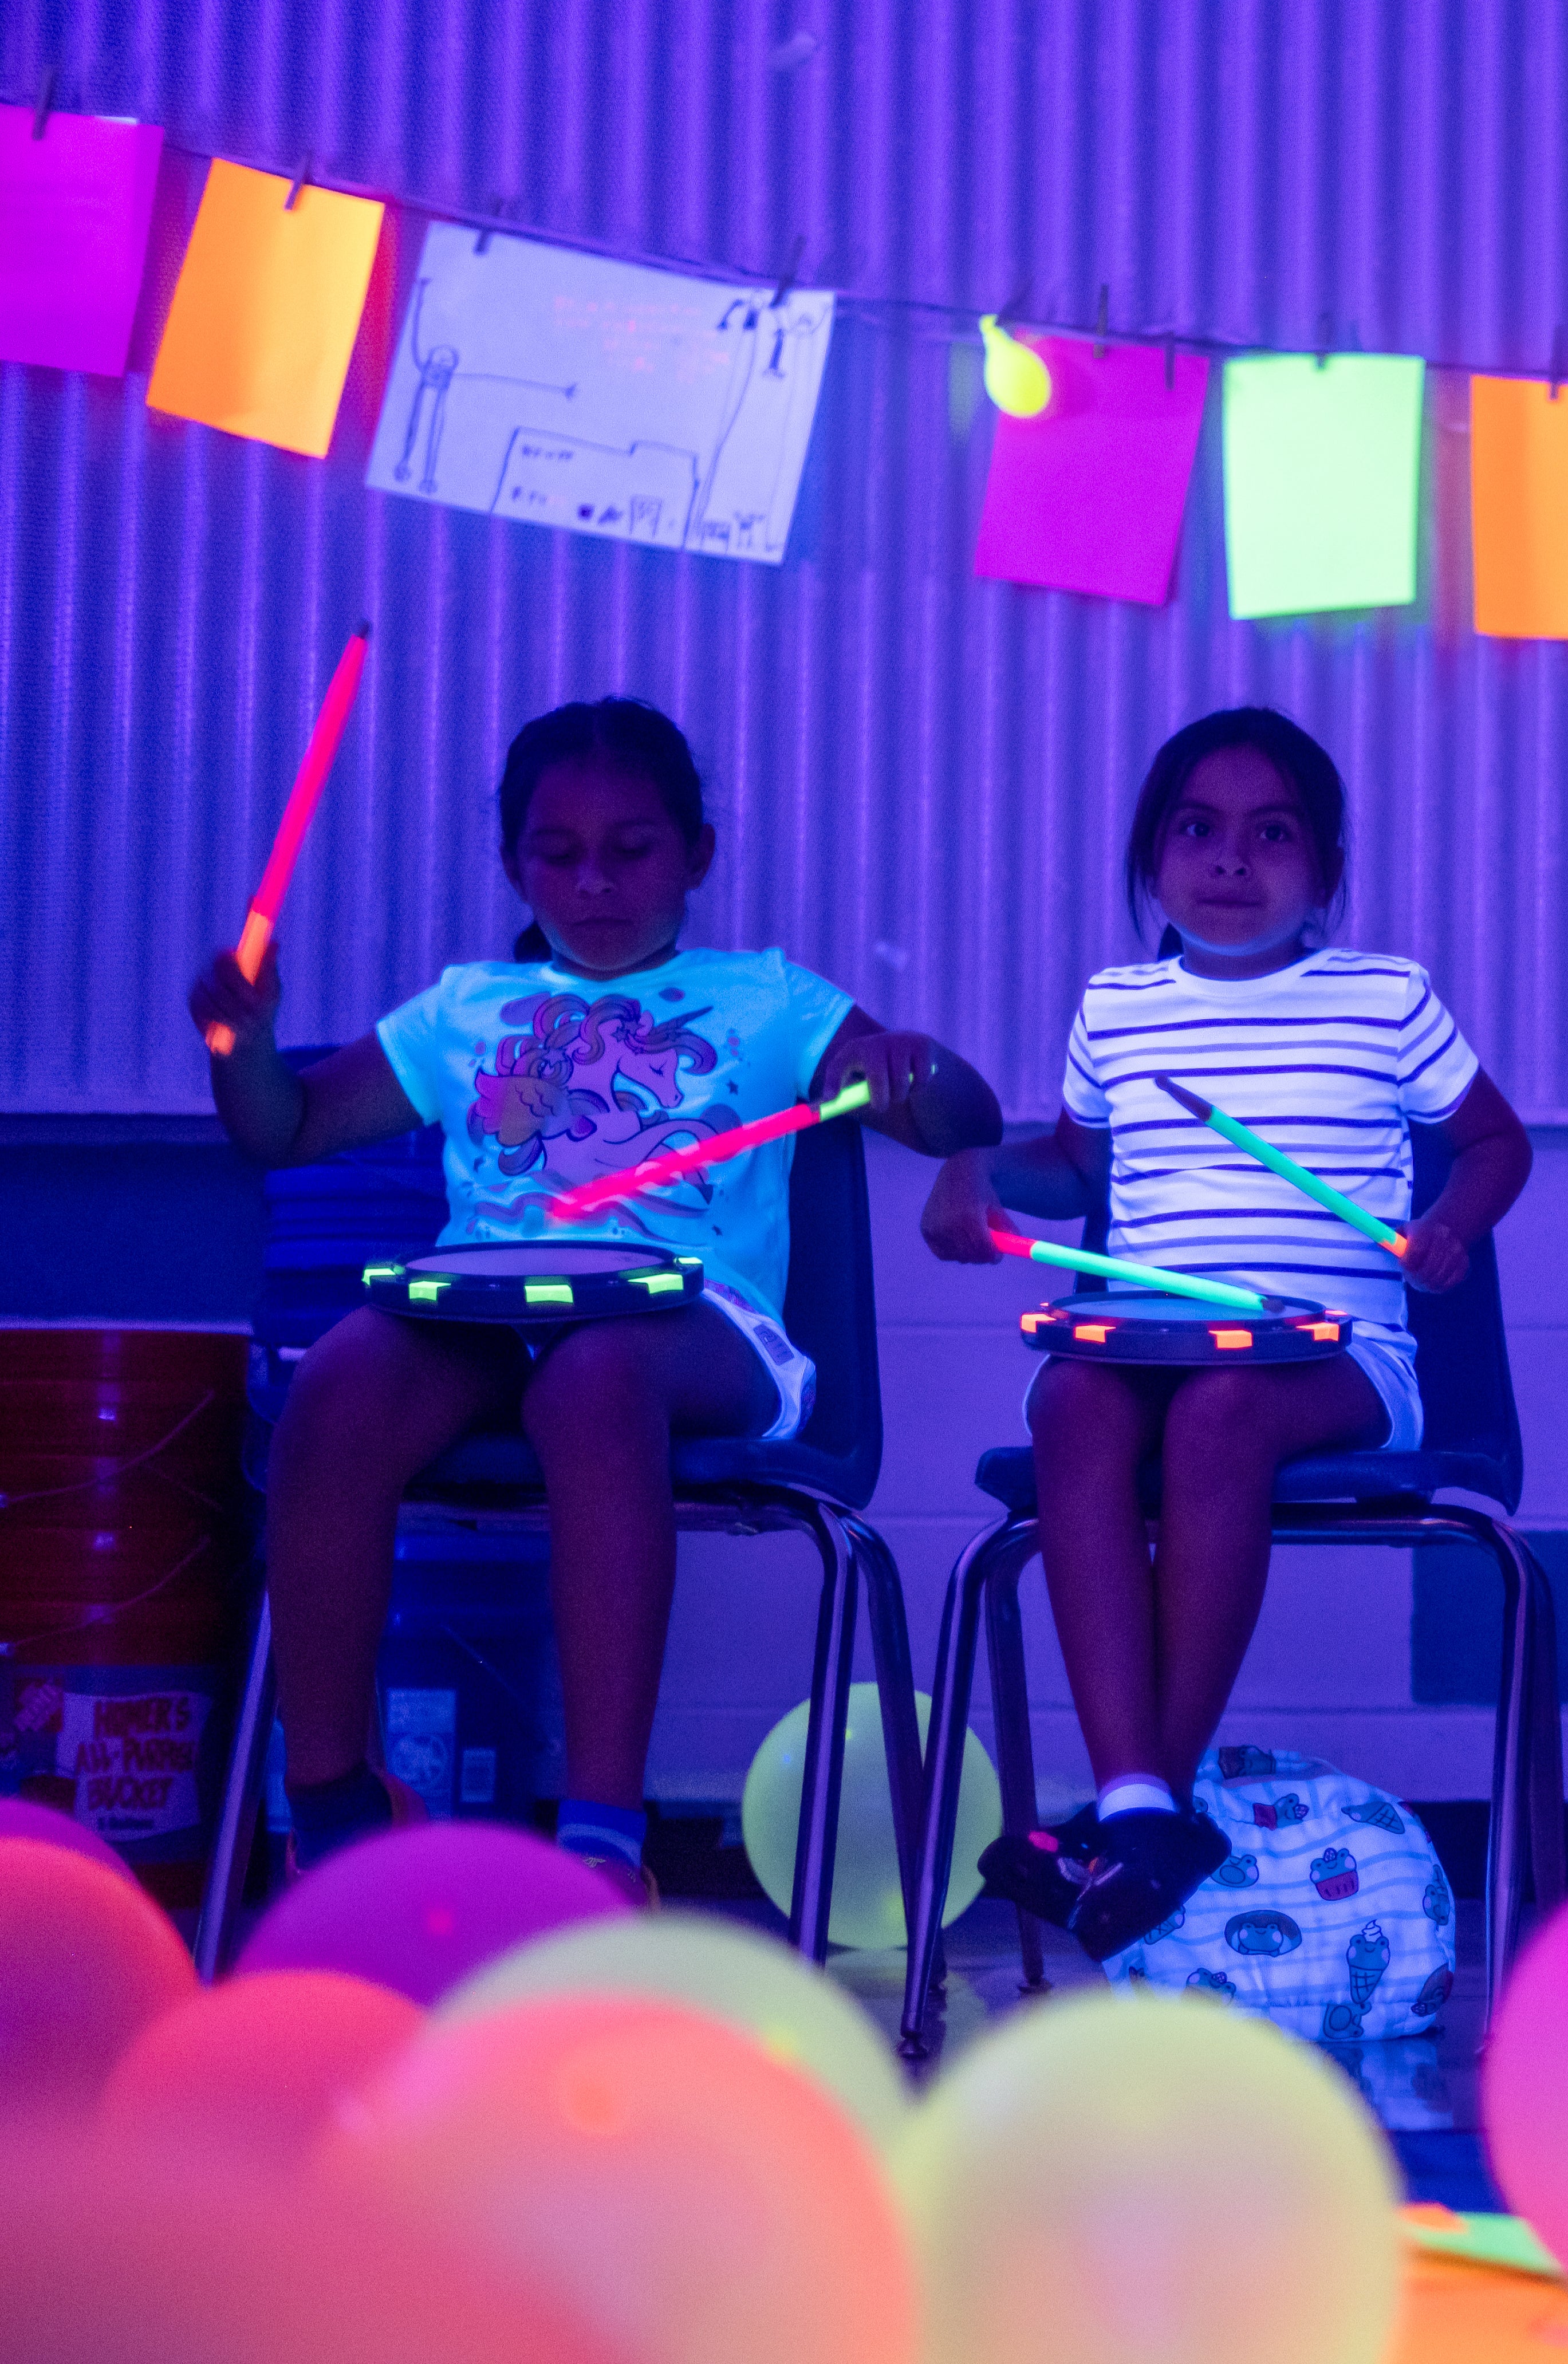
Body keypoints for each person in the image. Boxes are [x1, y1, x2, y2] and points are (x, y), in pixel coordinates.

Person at [190, 697, 1000, 1903]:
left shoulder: (769, 999)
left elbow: (958, 1119)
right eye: (556, 855)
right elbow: (287, 1129)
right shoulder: (466, 1008)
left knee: (596, 1371)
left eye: (632, 850)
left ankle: (604, 1844)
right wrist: (239, 1049)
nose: (593, 882)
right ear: (515, 865)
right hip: (488, 1320)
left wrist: (915, 1067)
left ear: (697, 857)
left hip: (699, 1332)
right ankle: (335, 1813)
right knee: (345, 1379)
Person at [926, 707, 1529, 1957]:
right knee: (1064, 1402)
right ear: (1151, 858)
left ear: (1327, 872)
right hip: (1153, 1343)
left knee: (1225, 1413)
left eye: (1272, 835)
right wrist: (980, 1179)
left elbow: (1495, 1142)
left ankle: (1140, 1809)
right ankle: (1143, 1806)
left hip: (1342, 1359)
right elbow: (1070, 1166)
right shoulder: (1119, 1006)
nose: (1231, 861)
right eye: (1197, 831)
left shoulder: (1383, 996)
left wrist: (1452, 1225)